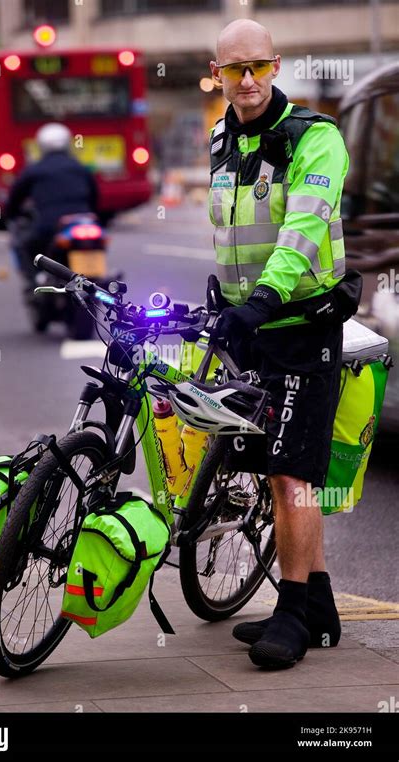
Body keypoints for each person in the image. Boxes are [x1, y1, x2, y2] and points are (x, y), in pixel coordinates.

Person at [207, 19, 360, 670]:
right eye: (233, 70)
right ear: (216, 72)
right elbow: (229, 231)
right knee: (275, 468)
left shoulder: (314, 138)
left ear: (276, 66)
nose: (245, 81)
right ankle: (319, 604)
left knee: (293, 474)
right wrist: (223, 298)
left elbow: (303, 228)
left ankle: (292, 611)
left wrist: (265, 299)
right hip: (255, 329)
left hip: (300, 326)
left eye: (258, 67)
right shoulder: (219, 139)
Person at [5, 123, 99, 282]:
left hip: (50, 225)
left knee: (22, 245)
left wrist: (11, 214)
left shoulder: (35, 169)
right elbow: (95, 196)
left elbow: (15, 196)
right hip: (86, 222)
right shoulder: (79, 167)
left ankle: (36, 282)